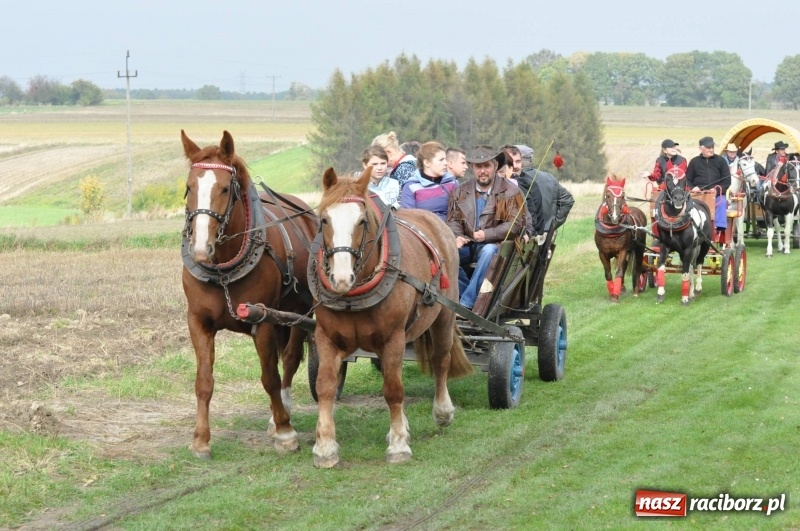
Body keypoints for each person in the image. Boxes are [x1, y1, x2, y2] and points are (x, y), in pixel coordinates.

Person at [446, 145, 526, 310]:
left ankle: (466, 304)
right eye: (478, 166)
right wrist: (457, 236)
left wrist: (487, 234)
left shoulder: (511, 191)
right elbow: (453, 220)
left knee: (488, 251)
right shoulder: (460, 191)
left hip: (497, 245)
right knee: (444, 254)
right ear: (472, 168)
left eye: (486, 166)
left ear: (495, 166)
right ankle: (466, 295)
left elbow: (516, 224)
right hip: (468, 244)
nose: (482, 171)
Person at [504, 144, 574, 245]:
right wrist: (552, 224)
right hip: (544, 233)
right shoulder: (549, 177)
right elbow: (568, 200)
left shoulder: (513, 179)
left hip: (525, 235)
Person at [400, 141, 457, 221]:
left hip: (449, 227)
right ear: (427, 163)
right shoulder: (411, 187)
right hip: (422, 227)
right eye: (441, 160)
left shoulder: (452, 183)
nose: (446, 163)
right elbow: (408, 219)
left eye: (445, 159)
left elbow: (459, 214)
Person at [685, 136, 731, 232]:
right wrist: (693, 188)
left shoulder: (721, 161)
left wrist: (717, 190)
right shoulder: (694, 162)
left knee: (722, 201)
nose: (711, 150)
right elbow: (687, 180)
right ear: (701, 148)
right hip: (697, 195)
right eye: (708, 147)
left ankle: (719, 228)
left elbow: (727, 181)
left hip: (716, 195)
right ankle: (690, 227)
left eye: (712, 147)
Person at [360, 145, 400, 210]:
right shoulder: (357, 187)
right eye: (374, 164)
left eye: (383, 163)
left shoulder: (396, 184)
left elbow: (402, 210)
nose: (379, 168)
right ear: (365, 165)